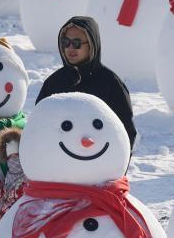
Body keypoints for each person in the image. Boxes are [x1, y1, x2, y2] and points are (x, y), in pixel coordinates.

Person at [36, 16, 138, 148]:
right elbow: (39, 126)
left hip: (98, 163)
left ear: (92, 45)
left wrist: (115, 166)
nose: (70, 48)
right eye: (66, 42)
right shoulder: (53, 83)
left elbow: (125, 133)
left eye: (77, 43)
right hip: (59, 164)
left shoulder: (110, 83)